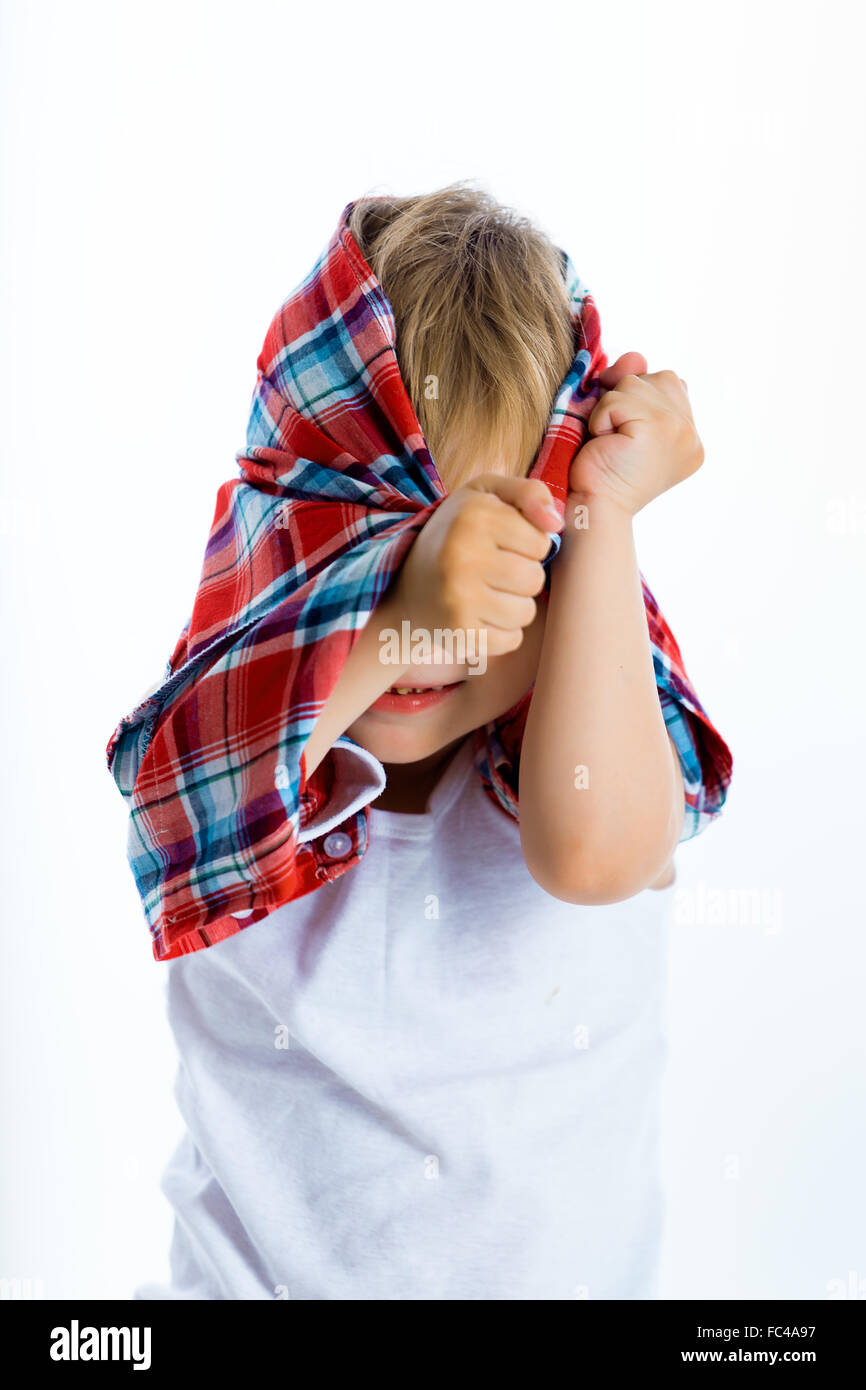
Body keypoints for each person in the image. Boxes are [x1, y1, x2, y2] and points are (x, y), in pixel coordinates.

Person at [122, 184, 732, 1300]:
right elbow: (175, 814)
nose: (447, 599)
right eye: (383, 543)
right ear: (288, 544)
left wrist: (601, 510)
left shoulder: (585, 732)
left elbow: (593, 855)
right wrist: (387, 616)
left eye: (490, 547)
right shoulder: (240, 736)